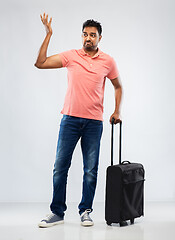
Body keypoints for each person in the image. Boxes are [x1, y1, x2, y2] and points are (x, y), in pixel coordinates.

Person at [35, 13, 122, 228]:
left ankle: (86, 211)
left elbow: (118, 86)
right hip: (70, 120)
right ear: (82, 37)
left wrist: (116, 111)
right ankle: (57, 212)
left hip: (94, 123)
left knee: (90, 170)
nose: (88, 38)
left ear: (100, 38)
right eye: (85, 35)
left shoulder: (108, 61)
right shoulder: (71, 56)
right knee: (60, 167)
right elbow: (40, 63)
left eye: (93, 35)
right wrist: (49, 34)